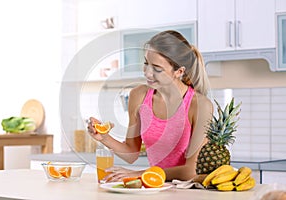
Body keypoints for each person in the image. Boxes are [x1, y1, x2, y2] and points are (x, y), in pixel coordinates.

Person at [87, 30, 213, 182]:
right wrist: (104, 137)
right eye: (146, 63)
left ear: (179, 72)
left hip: (188, 190)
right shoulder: (138, 95)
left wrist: (139, 174)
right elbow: (131, 153)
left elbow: (190, 171)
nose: (147, 73)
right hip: (154, 186)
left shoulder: (199, 106)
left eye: (157, 69)